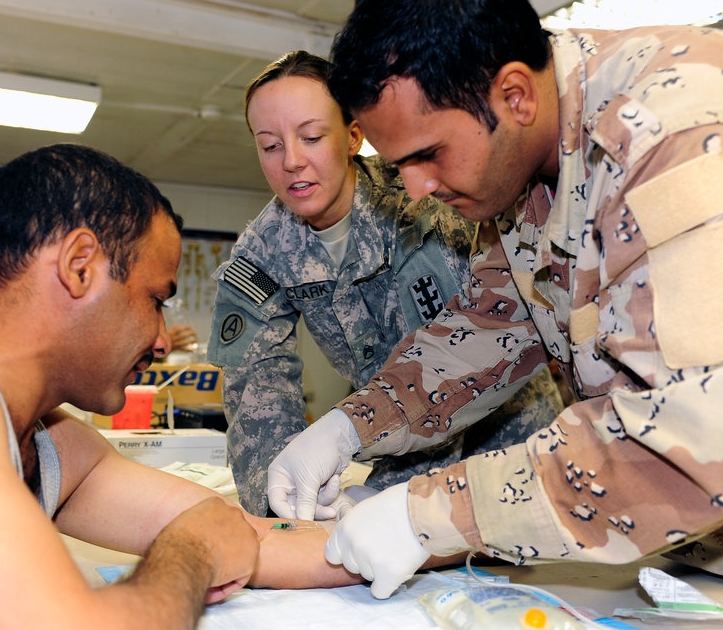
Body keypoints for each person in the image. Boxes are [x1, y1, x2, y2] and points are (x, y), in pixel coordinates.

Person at [268, 0, 723, 602]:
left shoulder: (683, 138)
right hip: (715, 560)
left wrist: (431, 516)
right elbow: (486, 333)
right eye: (399, 164)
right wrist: (348, 428)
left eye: (427, 154)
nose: (416, 187)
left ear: (515, 95)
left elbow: (692, 438)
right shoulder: (522, 164)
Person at [0, 144, 363, 630]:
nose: (162, 340)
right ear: (79, 266)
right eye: (155, 300)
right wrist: (190, 555)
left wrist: (426, 524)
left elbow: (243, 535)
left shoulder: (49, 446)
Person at [207, 50, 563, 516]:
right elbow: (256, 392)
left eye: (312, 137)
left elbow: (451, 361)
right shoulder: (262, 252)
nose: (292, 161)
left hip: (511, 452)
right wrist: (285, 503)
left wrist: (381, 496)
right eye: (270, 145)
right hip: (388, 433)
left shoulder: (424, 204)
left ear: (353, 136)